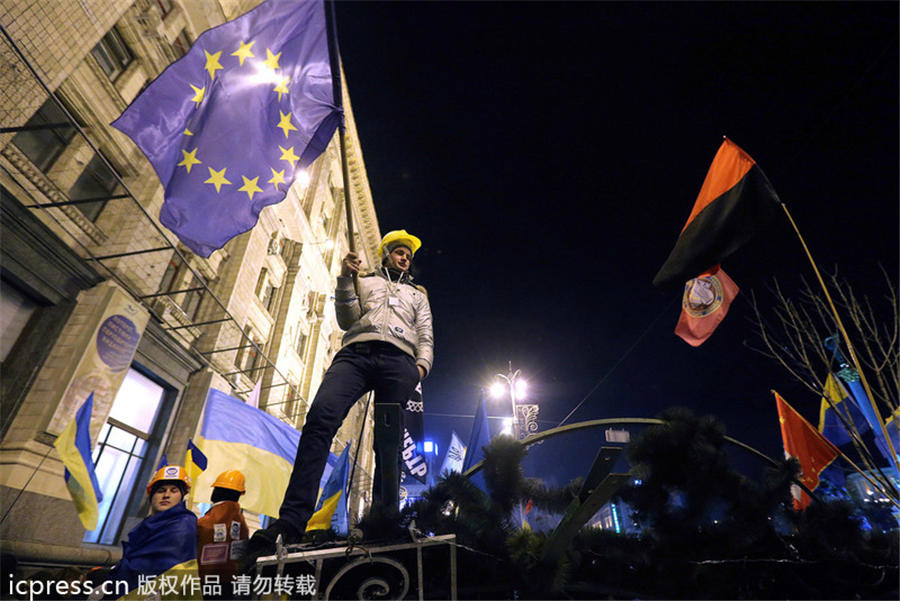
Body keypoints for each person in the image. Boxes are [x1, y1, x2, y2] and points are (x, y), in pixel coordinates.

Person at [246, 229, 433, 558]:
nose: (405, 257)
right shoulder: (363, 281)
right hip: (355, 356)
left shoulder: (417, 295)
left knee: (388, 439)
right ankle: (292, 520)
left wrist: (420, 368)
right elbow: (347, 320)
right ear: (386, 253)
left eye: (409, 254)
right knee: (320, 418)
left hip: (398, 361)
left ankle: (384, 521)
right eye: (399, 251)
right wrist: (346, 280)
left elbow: (425, 333)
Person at [89, 466, 199, 600]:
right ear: (151, 496)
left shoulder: (183, 524)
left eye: (174, 491)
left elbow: (149, 568)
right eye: (161, 490)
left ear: (181, 497)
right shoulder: (149, 524)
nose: (166, 495)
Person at [196, 470, 249, 600]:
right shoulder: (242, 524)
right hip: (231, 587)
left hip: (203, 585)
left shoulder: (205, 522)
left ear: (217, 491)